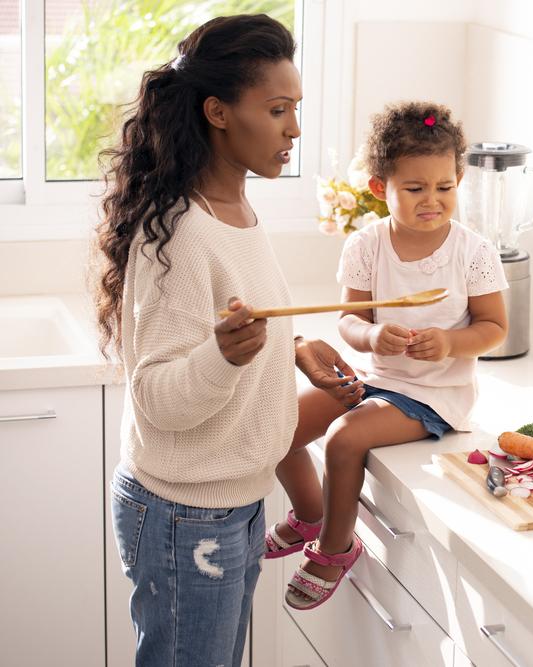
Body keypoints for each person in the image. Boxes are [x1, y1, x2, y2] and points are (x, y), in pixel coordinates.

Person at [92, 15, 357, 665]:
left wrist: (292, 349)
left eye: (295, 109)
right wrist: (224, 353)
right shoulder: (184, 233)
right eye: (276, 110)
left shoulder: (236, 210)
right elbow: (158, 394)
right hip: (185, 514)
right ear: (217, 111)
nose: (293, 128)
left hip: (230, 500)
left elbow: (231, 321)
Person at [269, 101, 509, 610]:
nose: (433, 201)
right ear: (381, 189)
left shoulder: (472, 252)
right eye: (415, 189)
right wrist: (372, 338)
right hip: (374, 377)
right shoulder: (366, 245)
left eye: (444, 188)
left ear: (459, 180)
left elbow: (494, 329)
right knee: (275, 425)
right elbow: (349, 321)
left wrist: (448, 343)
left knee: (344, 437)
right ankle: (312, 512)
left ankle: (336, 547)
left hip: (434, 394)